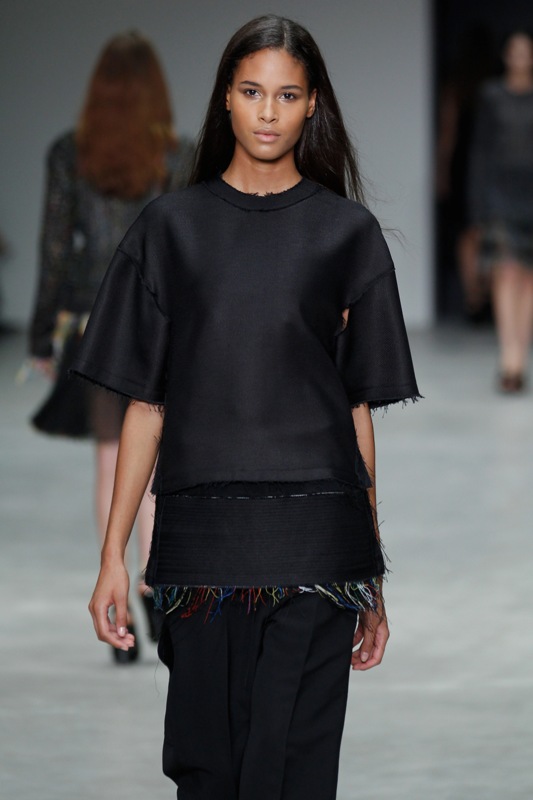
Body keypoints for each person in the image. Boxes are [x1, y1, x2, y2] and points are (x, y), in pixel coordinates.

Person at [72, 15, 420, 798]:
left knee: (291, 777)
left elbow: (355, 414)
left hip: (317, 546)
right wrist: (112, 557)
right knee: (210, 774)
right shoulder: (169, 231)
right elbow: (146, 407)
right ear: (225, 98)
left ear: (312, 105)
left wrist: (368, 573)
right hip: (202, 549)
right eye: (252, 91)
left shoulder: (346, 235)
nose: (268, 112)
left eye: (287, 95)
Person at [28, 31, 195, 662]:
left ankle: (116, 600)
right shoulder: (175, 155)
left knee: (109, 462)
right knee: (151, 464)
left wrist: (41, 333)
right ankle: (152, 592)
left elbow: (54, 250)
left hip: (91, 322)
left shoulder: (69, 155)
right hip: (156, 320)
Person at [468, 30, 533, 392]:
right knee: (505, 273)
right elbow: (480, 150)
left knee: (529, 279)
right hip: (500, 195)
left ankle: (519, 357)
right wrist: (478, 202)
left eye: (526, 51)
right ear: (506, 55)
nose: (520, 57)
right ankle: (508, 358)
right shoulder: (491, 95)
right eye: (515, 51)